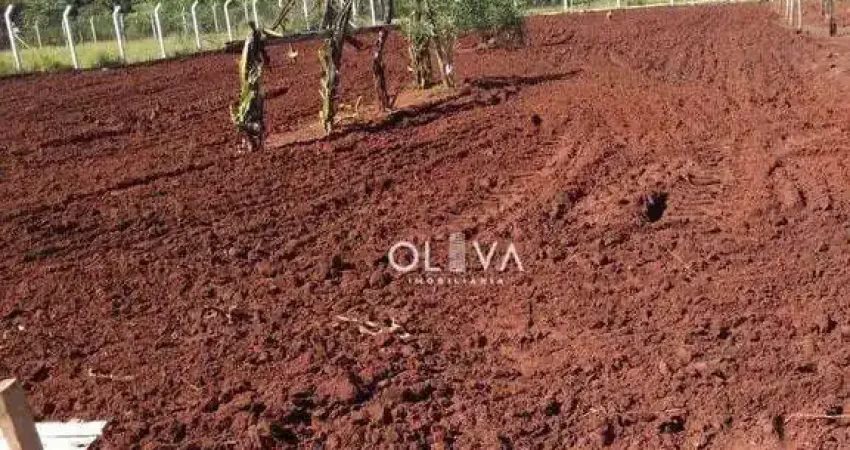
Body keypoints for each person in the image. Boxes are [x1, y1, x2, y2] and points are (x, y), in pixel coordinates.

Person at [231, 21, 272, 152]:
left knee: (255, 122)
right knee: (256, 123)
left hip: (251, 101)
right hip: (251, 101)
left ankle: (253, 141)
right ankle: (253, 141)